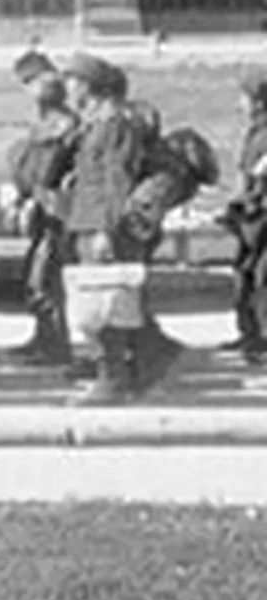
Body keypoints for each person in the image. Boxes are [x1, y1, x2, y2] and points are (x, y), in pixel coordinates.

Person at [57, 53, 182, 405]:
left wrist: (104, 231)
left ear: (88, 86)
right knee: (116, 301)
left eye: (72, 81)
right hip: (90, 221)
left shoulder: (114, 123)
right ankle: (154, 356)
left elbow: (116, 179)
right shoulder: (96, 122)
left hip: (105, 226)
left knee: (104, 304)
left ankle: (111, 380)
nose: (67, 88)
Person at [6, 49, 78, 367]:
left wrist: (31, 193)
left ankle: (56, 345)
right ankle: (44, 338)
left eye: (30, 83)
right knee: (37, 277)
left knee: (44, 279)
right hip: (41, 208)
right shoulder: (45, 122)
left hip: (55, 210)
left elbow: (49, 170)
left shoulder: (62, 124)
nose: (29, 91)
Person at [221, 72, 267, 364]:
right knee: (244, 274)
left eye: (245, 98)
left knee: (261, 277)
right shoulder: (255, 131)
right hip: (248, 214)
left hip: (261, 214)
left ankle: (261, 338)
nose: (240, 104)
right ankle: (249, 333)